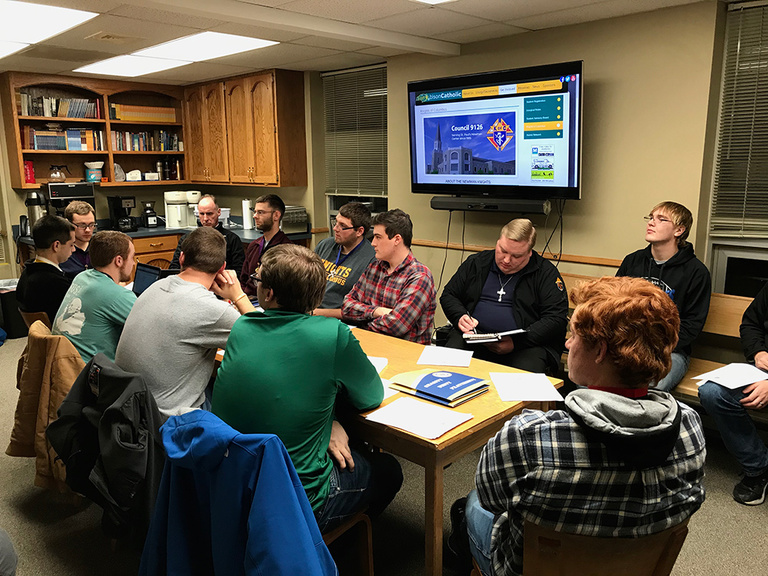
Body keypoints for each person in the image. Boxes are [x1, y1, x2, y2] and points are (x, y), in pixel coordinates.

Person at [454, 277, 706, 576]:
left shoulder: (528, 436)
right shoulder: (691, 428)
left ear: (599, 350)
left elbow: (491, 500)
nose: (567, 343)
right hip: (637, 566)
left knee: (470, 503)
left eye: (573, 333)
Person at [213, 244, 402, 533]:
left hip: (234, 486)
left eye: (258, 279)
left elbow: (275, 392)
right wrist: (330, 422)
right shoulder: (332, 335)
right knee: (387, 470)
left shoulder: (243, 327)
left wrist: (330, 421)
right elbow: (371, 396)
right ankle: (330, 550)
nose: (255, 282)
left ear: (269, 294)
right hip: (299, 501)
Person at [115, 226, 255, 419]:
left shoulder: (157, 285)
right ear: (222, 268)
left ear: (181, 258)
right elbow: (263, 339)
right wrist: (238, 295)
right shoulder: (214, 311)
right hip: (167, 424)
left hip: (128, 411)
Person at [440, 218, 567, 374]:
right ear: (498, 242)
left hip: (524, 346)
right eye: (503, 251)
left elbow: (556, 318)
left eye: (516, 256)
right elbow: (449, 295)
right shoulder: (477, 263)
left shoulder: (545, 273)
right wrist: (459, 316)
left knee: (525, 379)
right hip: (474, 339)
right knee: (445, 371)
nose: (506, 260)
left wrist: (517, 343)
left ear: (529, 253)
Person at [617, 201, 711, 391]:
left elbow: (692, 325)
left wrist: (654, 347)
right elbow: (614, 305)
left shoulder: (696, 272)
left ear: (679, 230)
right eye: (651, 218)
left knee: (651, 388)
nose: (651, 223)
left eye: (661, 219)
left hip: (669, 352)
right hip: (627, 344)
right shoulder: (633, 261)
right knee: (591, 378)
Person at [699, 282, 768, 505]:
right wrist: (758, 351)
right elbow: (750, 323)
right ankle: (758, 468)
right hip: (762, 369)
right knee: (712, 392)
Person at [341, 209, 436, 344]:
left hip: (405, 354)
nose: (373, 243)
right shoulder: (374, 268)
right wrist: (376, 311)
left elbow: (396, 325)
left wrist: (361, 326)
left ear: (397, 239)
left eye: (378, 237)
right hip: (371, 345)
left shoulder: (419, 277)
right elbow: (346, 306)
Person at [52, 231, 137, 362]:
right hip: (91, 374)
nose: (134, 263)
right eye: (132, 257)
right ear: (119, 260)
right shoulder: (116, 295)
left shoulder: (82, 277)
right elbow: (153, 327)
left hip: (66, 364)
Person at [314, 202, 376, 318]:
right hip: (309, 311)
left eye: (342, 226)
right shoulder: (325, 245)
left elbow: (363, 310)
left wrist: (316, 313)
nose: (335, 228)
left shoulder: (371, 259)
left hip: (339, 320)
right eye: (336, 222)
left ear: (359, 231)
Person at [16, 215, 75, 325]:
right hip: (60, 339)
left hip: (40, 339)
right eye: (71, 245)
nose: (73, 249)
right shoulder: (56, 284)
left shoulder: (26, 273)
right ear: (56, 245)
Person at [170, 194, 245, 273]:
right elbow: (174, 268)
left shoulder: (232, 239)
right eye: (202, 214)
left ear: (218, 212)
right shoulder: (187, 239)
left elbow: (239, 271)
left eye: (209, 214)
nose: (205, 219)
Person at [239, 194, 293, 299]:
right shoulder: (254, 246)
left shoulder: (287, 250)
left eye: (260, 212)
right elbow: (244, 279)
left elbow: (285, 289)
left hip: (270, 302)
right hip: (248, 298)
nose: (255, 216)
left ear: (276, 215)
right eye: (254, 212)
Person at [60, 200, 96, 279]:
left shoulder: (99, 247)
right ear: (68, 224)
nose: (88, 230)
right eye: (81, 225)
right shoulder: (61, 252)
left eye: (91, 225)